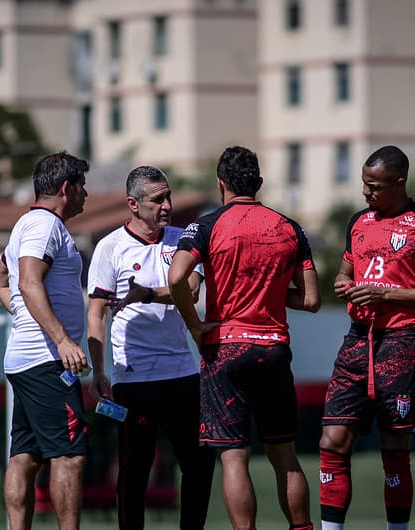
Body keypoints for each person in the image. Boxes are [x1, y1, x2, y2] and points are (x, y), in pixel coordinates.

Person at [168, 146, 320, 530]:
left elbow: (175, 279)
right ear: (260, 183)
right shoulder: (290, 227)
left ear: (220, 183)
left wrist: (194, 326)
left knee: (234, 457)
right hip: (272, 348)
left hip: (226, 348)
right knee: (284, 454)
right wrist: (268, 288)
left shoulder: (207, 225)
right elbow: (312, 299)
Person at [318, 145, 415, 530]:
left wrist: (386, 294)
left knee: (394, 449)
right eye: (364, 184)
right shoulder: (358, 221)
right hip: (357, 339)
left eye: (375, 186)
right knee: (332, 441)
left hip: (401, 342)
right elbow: (345, 273)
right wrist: (344, 283)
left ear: (399, 183)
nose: (366, 193)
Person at [86, 166, 215, 530]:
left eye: (169, 196)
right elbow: (96, 313)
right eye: (158, 199)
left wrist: (145, 294)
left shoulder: (183, 239)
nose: (167, 205)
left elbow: (189, 291)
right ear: (133, 204)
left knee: (200, 462)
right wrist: (99, 370)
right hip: (134, 378)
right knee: (134, 468)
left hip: (182, 373)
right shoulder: (109, 247)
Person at [0, 151, 91, 530]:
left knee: (26, 456)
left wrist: (22, 315)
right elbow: (27, 281)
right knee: (69, 457)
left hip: (27, 359)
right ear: (66, 188)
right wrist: (61, 340)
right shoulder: (43, 226)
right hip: (46, 361)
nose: (87, 194)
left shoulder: (27, 225)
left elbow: (1, 280)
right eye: (82, 186)